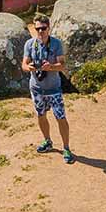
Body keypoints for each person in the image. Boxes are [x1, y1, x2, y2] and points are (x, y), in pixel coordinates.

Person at [22, 13, 74, 164]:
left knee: (61, 118)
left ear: (48, 28)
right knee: (41, 115)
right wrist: (29, 67)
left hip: (54, 89)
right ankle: (47, 141)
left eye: (43, 28)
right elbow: (24, 64)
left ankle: (66, 148)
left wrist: (50, 67)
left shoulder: (56, 44)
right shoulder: (30, 44)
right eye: (37, 29)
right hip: (37, 89)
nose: (40, 32)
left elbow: (63, 65)